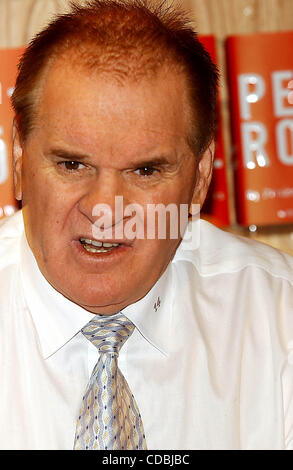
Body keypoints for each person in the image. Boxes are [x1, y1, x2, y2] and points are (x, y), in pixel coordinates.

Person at [0, 0, 292, 450]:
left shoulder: (277, 318)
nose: (105, 210)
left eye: (145, 172)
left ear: (200, 179)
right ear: (19, 158)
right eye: (73, 164)